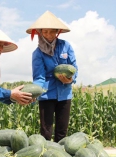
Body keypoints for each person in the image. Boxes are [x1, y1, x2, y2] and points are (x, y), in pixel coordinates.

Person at [26, 10, 78, 142]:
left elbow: (74, 68)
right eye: (44, 31)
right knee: (46, 132)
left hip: (65, 93)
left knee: (62, 131)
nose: (48, 35)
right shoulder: (37, 53)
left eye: (51, 31)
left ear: (57, 32)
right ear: (40, 32)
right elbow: (39, 77)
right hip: (46, 94)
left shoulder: (66, 46)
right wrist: (34, 91)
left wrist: (71, 79)